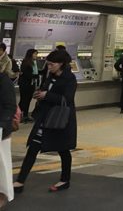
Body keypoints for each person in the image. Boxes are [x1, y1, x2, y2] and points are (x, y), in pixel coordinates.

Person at [14, 49, 76, 193]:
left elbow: (67, 99)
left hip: (59, 119)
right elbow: (44, 90)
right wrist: (39, 94)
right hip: (45, 118)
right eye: (48, 64)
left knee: (63, 149)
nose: (49, 67)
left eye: (51, 64)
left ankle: (65, 180)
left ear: (61, 64)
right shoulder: (50, 75)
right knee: (33, 147)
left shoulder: (69, 78)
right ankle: (20, 181)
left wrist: (47, 95)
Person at [0, 69, 16, 208]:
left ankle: (3, 194)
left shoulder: (3, 80)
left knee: (2, 164)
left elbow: (10, 106)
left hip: (1, 130)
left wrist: (2, 125)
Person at [18, 49, 38, 124]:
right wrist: (35, 76)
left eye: (36, 54)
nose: (36, 55)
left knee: (28, 100)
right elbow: (26, 74)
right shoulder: (26, 62)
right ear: (30, 54)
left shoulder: (34, 62)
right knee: (23, 100)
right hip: (25, 84)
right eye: (35, 54)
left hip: (31, 84)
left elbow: (35, 73)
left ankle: (25, 115)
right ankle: (18, 115)